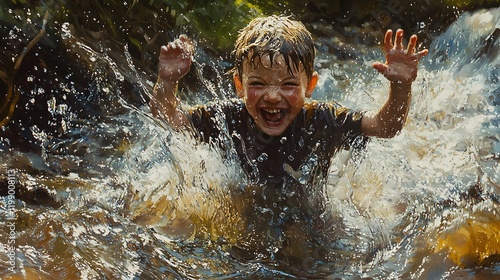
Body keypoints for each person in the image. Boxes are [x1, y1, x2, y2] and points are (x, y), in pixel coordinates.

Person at [149, 15, 428, 267]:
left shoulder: (323, 119)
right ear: (239, 85)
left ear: (310, 85)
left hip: (309, 212)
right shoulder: (228, 117)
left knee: (320, 259)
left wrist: (400, 86)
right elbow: (170, 118)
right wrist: (167, 80)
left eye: (288, 85)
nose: (272, 96)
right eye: (257, 84)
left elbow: (385, 126)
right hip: (248, 207)